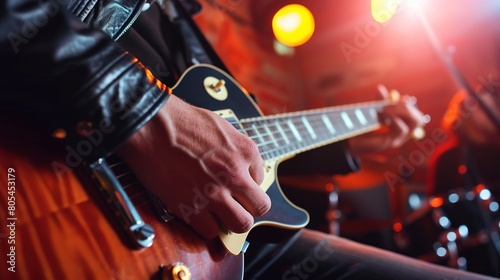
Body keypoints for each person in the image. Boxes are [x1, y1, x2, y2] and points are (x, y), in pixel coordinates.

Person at [0, 0, 495, 279]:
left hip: (212, 249)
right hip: (63, 208)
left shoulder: (179, 17)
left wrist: (351, 146)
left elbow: (228, 147)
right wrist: (146, 116)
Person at [426, 85, 500, 277]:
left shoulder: (496, 150)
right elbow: (438, 206)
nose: (491, 111)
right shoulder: (449, 158)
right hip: (474, 249)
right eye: (482, 107)